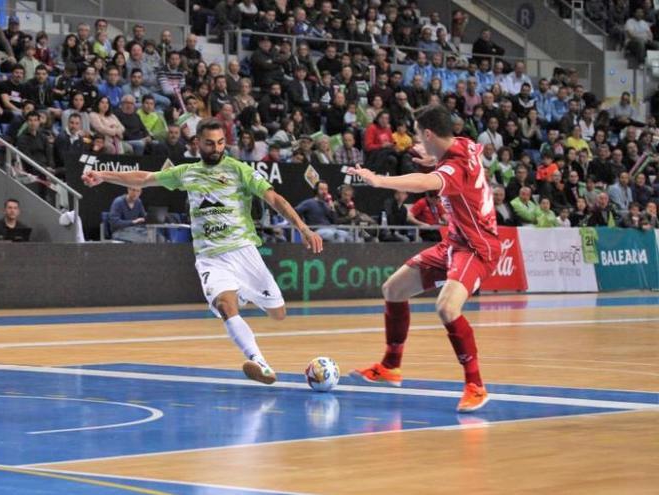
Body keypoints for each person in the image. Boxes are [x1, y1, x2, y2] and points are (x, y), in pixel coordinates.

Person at [82, 119, 323, 384]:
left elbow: (274, 199)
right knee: (224, 306)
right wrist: (103, 176)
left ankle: (243, 293)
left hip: (243, 252)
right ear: (198, 143)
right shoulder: (186, 172)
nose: (216, 148)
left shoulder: (238, 169)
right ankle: (260, 362)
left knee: (278, 313)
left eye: (221, 143)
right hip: (210, 257)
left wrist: (302, 227)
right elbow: (145, 178)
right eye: (210, 143)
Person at [347, 105, 499, 413]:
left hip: (477, 248)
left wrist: (378, 180)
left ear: (428, 133)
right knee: (393, 290)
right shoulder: (465, 144)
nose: (416, 140)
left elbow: (423, 183)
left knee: (446, 306)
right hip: (454, 243)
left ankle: (476, 386)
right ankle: (391, 366)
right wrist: (434, 158)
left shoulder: (454, 169)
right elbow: (466, 153)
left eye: (418, 134)